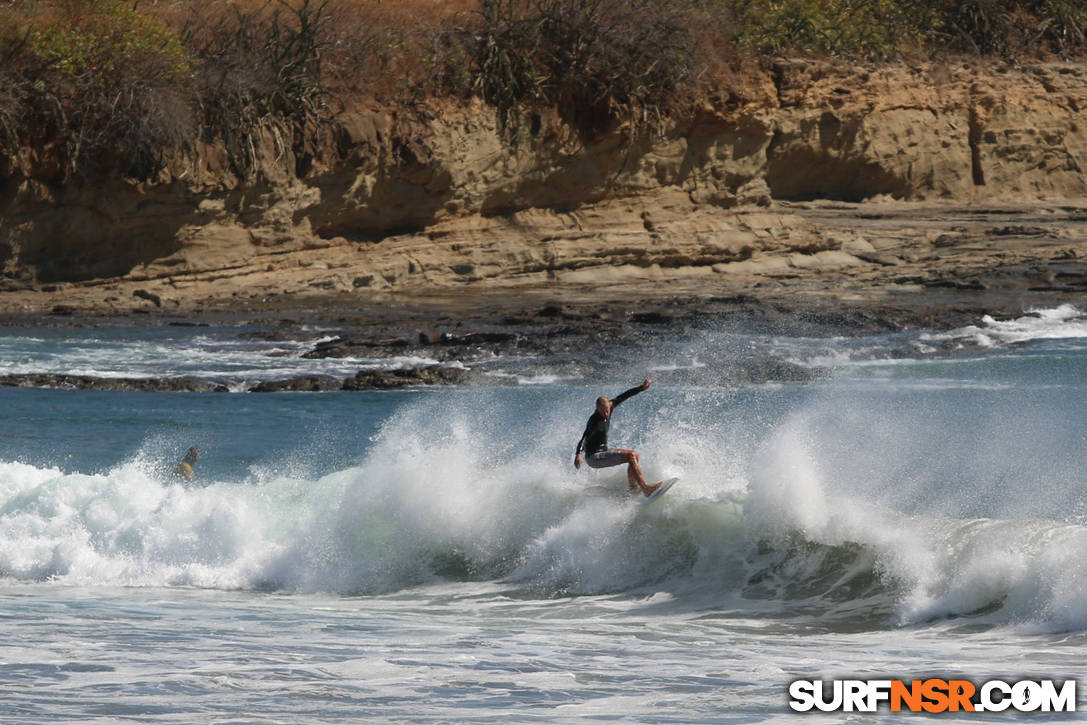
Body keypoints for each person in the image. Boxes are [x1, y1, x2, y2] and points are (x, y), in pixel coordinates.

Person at [573, 378, 662, 497]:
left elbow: (626, 395)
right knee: (630, 456)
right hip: (593, 457)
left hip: (603, 452)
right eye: (603, 411)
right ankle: (645, 488)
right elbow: (584, 437)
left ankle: (633, 488)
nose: (606, 414)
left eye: (607, 410)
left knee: (634, 455)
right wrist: (578, 454)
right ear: (598, 409)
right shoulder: (594, 420)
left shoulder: (610, 405)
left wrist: (642, 387)